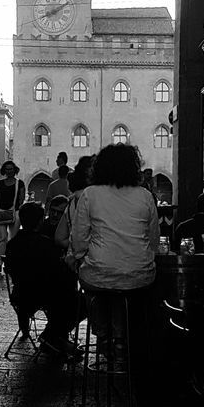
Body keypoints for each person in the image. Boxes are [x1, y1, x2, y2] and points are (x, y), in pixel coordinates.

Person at [71, 142, 159, 367]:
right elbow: (153, 241)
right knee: (130, 292)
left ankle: (105, 336)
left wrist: (82, 258)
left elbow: (79, 240)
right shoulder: (146, 196)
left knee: (97, 288)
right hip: (140, 275)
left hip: (99, 274)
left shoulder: (90, 194)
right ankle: (124, 340)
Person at [5, 202, 83, 361]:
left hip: (21, 294)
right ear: (40, 221)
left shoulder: (12, 244)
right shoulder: (46, 245)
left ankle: (54, 341)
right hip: (44, 296)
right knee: (79, 302)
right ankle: (52, 337)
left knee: (65, 298)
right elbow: (59, 274)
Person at [54, 155, 93, 257]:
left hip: (75, 260)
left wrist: (73, 247)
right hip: (94, 262)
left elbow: (59, 238)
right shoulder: (96, 199)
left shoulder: (73, 201)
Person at [0, 159, 25, 273]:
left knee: (13, 239)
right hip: (2, 212)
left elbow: (21, 200)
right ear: (4, 171)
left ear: (14, 170)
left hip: (15, 212)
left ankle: (11, 262)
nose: (9, 171)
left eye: (11, 169)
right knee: (1, 239)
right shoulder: (0, 183)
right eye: (7, 169)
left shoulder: (19, 183)